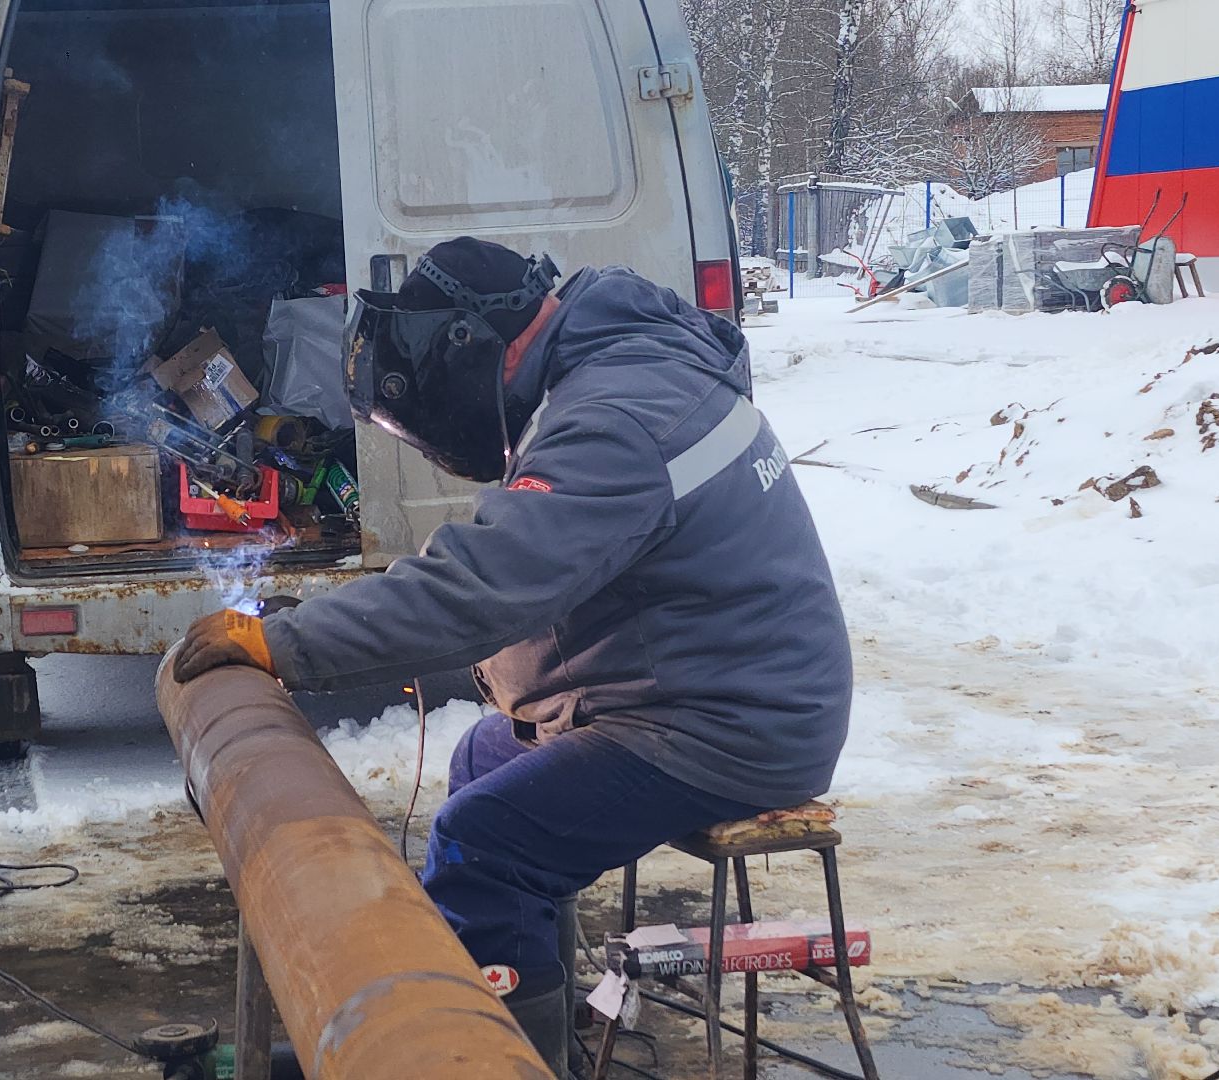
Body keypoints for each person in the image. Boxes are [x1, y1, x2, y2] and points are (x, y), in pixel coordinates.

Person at [172, 237, 851, 1073]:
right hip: (687, 687)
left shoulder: (614, 419)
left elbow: (488, 585)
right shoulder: (618, 371)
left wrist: (284, 643)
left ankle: (487, 1061)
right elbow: (546, 572)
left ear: (466, 348)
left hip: (728, 726)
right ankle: (512, 1018)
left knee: (487, 839)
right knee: (485, 759)